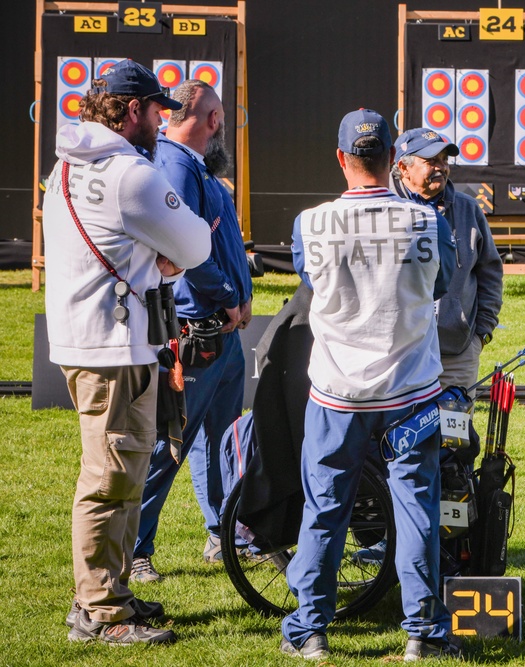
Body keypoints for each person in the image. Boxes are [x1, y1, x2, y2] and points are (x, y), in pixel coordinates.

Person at [279, 108, 460, 661]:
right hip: (412, 393)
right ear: (392, 159)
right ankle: (421, 634)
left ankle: (310, 629)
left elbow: (309, 283)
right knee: (416, 510)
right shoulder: (431, 222)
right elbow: (444, 284)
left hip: (337, 393)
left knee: (326, 508)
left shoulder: (310, 223)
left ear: (342, 159)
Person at [43, 58, 211, 644]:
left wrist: (149, 257)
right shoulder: (128, 175)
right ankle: (99, 610)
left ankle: (108, 593)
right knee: (113, 476)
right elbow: (195, 241)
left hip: (90, 338)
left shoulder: (64, 166)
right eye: (157, 111)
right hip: (115, 345)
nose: (162, 124)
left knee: (122, 472)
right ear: (133, 109)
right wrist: (162, 257)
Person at [131, 78, 253, 582]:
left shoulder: (189, 166)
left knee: (220, 441)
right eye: (221, 117)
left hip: (218, 333)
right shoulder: (177, 164)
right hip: (197, 332)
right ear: (214, 121)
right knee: (171, 443)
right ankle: (135, 550)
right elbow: (184, 248)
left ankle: (220, 534)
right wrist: (227, 297)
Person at [391, 128, 503, 393]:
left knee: (455, 432)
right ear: (403, 168)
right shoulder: (384, 210)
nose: (441, 167)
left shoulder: (468, 209)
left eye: (444, 160)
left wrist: (481, 333)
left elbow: (490, 271)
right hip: (396, 355)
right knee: (401, 431)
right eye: (431, 161)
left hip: (456, 351)